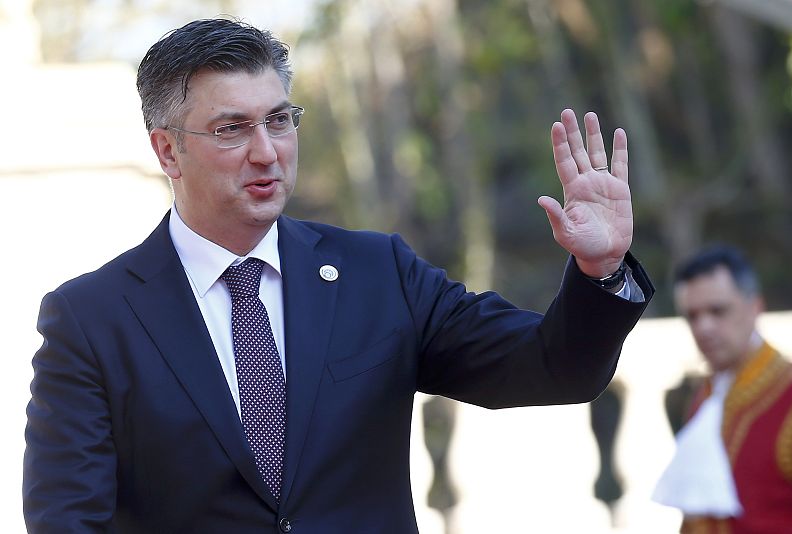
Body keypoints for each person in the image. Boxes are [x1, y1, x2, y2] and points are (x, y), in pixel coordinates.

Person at [23, 18, 653, 534]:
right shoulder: (91, 320)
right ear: (167, 151)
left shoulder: (379, 273)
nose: (267, 151)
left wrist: (598, 271)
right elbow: (66, 520)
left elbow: (554, 367)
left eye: (278, 120)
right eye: (231, 129)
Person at [652, 245, 792, 533]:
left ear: (755, 307)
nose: (704, 327)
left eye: (718, 311)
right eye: (693, 316)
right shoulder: (705, 395)